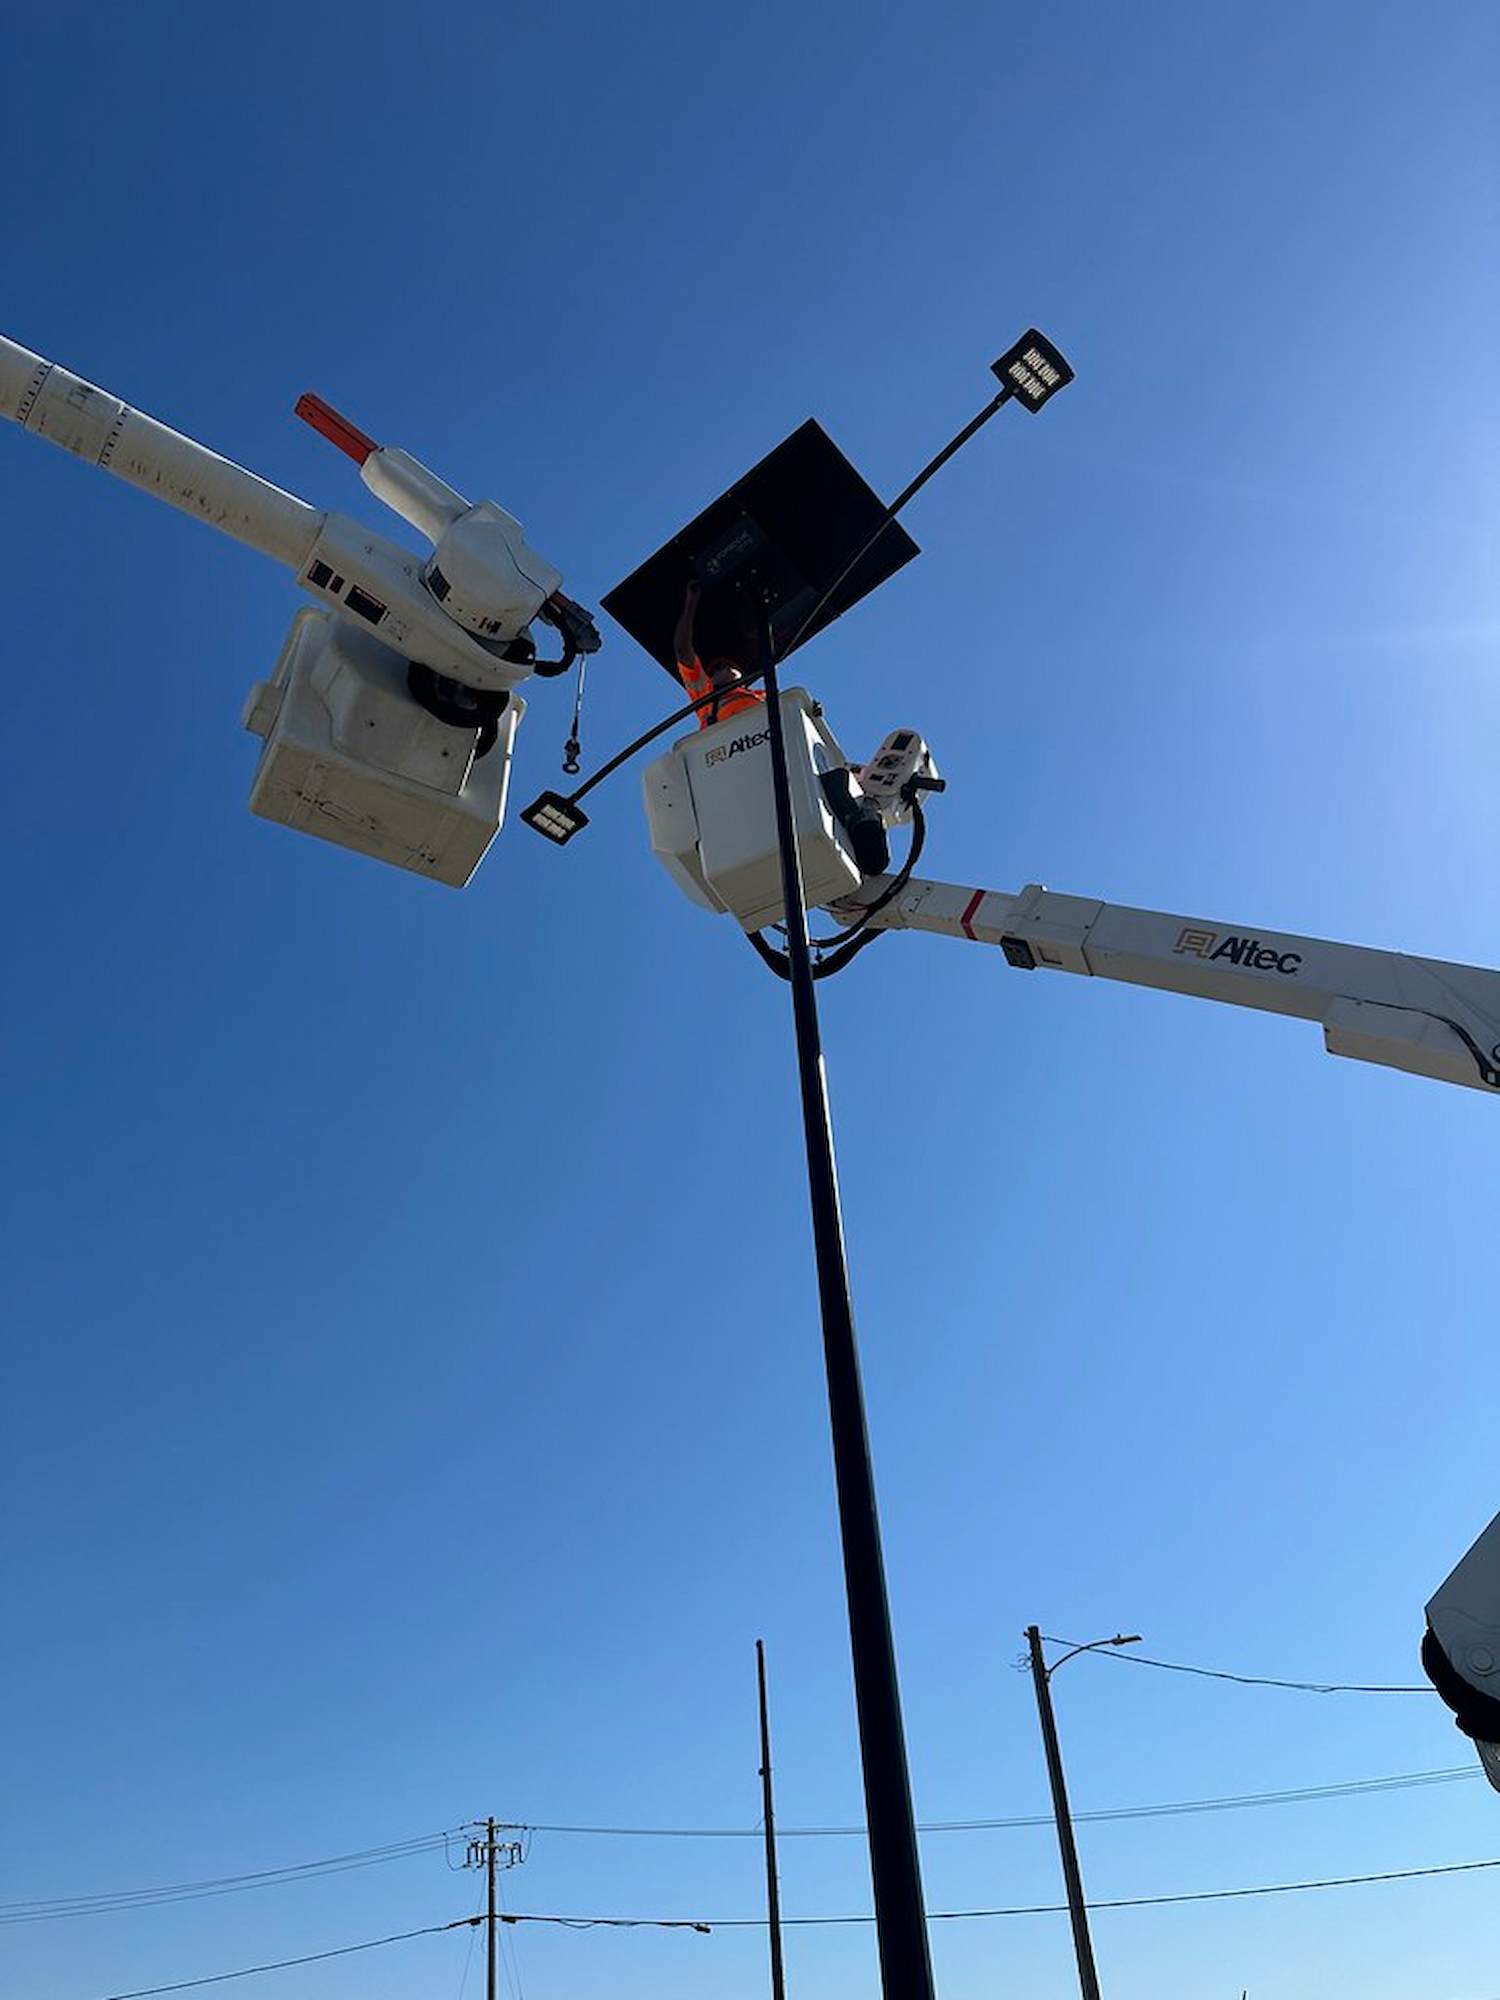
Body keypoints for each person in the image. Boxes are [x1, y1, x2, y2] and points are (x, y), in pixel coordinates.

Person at [672, 579, 767, 728]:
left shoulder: (763, 695)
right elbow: (682, 650)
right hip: (726, 746)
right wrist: (690, 605)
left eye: (729, 665)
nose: (724, 667)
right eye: (717, 668)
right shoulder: (705, 696)